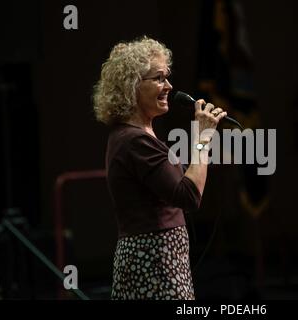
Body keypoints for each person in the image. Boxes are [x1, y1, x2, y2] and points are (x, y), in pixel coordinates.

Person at [92, 36, 227, 300]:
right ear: (132, 86)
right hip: (153, 263)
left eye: (167, 77)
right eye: (158, 78)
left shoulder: (137, 136)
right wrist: (203, 139)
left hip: (158, 260)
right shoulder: (134, 140)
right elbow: (189, 195)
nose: (169, 85)